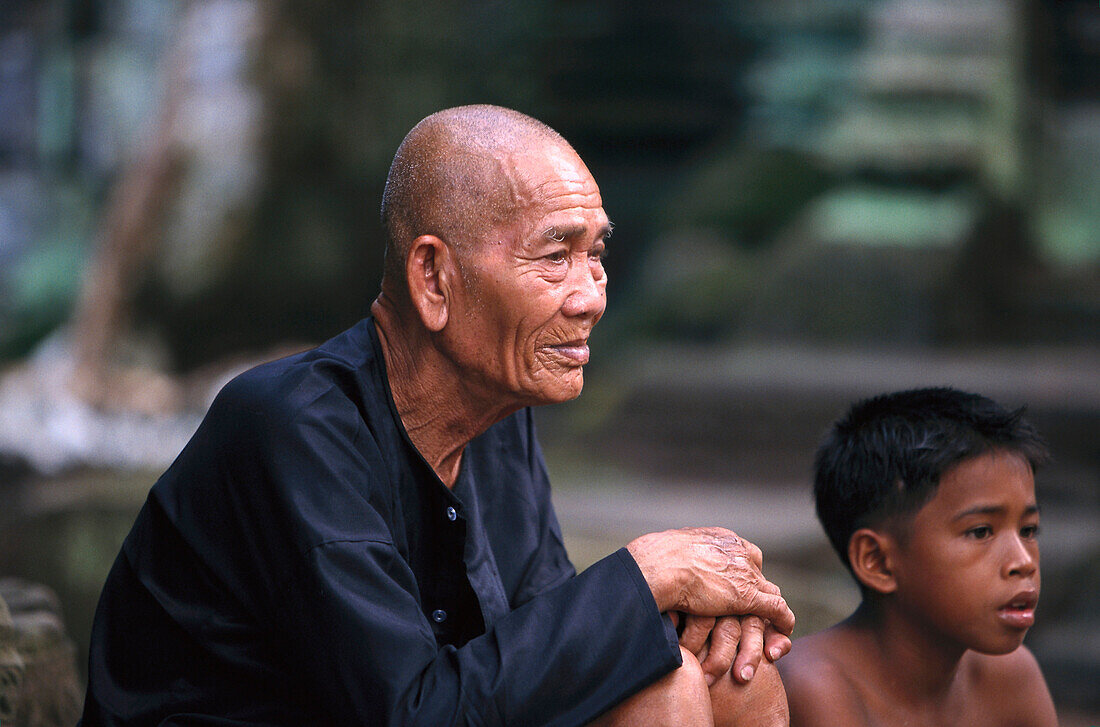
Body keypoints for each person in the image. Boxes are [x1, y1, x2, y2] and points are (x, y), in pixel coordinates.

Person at [80, 105, 795, 727]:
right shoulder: (293, 427)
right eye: (556, 256)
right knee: (663, 697)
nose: (590, 298)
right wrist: (648, 573)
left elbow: (538, 641)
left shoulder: (499, 411)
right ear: (433, 277)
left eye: (596, 256)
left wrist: (681, 615)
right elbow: (414, 713)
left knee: (734, 678)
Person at [778, 387, 1059, 727]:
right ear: (878, 561)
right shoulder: (816, 688)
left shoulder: (1010, 678)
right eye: (981, 531)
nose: (1023, 562)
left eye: (1028, 530)